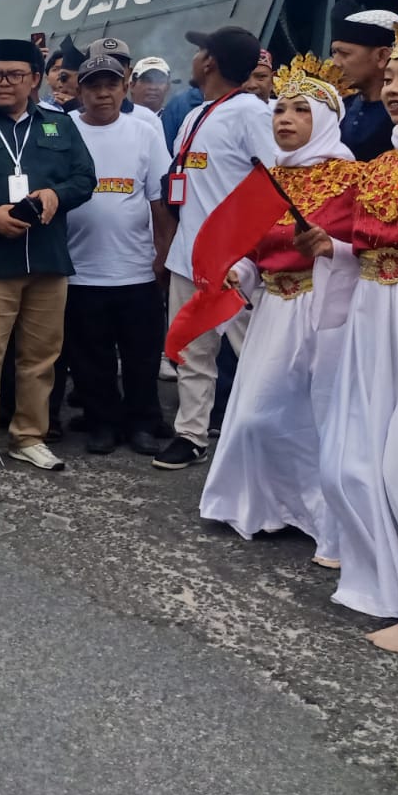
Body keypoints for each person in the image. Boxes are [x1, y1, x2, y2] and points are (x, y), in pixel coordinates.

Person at [198, 55, 356, 564]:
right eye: (279, 110)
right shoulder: (267, 180)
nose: (284, 119)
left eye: (300, 111)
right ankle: (268, 506)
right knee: (257, 416)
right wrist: (240, 272)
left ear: (327, 120)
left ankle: (331, 524)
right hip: (275, 311)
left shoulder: (354, 179)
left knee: (326, 419)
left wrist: (333, 248)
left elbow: (374, 247)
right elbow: (254, 248)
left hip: (330, 309)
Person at [311, 8, 398, 654]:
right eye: (396, 77)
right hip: (374, 314)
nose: (397, 88)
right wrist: (329, 244)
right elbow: (361, 239)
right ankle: (387, 578)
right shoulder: (378, 163)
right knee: (355, 456)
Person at [0, 37, 96, 475]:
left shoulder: (59, 126)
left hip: (46, 259)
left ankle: (29, 436)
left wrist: (55, 195)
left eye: (14, 75)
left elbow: (85, 179)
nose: (3, 83)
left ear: (35, 80)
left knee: (40, 356)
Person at [155, 25, 277, 470]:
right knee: (192, 351)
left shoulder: (252, 114)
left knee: (254, 355)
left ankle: (266, 439)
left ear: (209, 62)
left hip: (236, 263)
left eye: (200, 51)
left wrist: (250, 254)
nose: (194, 58)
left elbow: (277, 182)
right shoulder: (195, 115)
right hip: (191, 258)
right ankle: (191, 435)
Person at [62, 55, 175, 455]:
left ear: (124, 88)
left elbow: (159, 201)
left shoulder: (143, 132)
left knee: (141, 355)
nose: (103, 93)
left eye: (111, 85)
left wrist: (163, 255)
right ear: (80, 92)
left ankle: (142, 421)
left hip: (135, 268)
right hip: (80, 269)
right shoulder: (64, 131)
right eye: (93, 86)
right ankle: (102, 421)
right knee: (91, 357)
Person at [328, 0, 398, 161]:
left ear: (382, 56)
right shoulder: (340, 108)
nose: (335, 63)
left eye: (345, 54)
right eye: (334, 53)